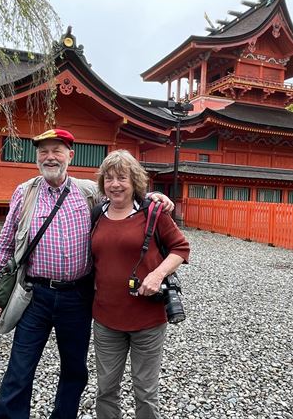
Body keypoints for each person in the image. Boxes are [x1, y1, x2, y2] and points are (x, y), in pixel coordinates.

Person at [0, 129, 172, 419]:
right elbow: (5, 242)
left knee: (74, 369)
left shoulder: (89, 193)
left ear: (70, 155)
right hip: (35, 296)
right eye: (43, 152)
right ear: (37, 157)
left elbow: (125, 195)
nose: (50, 157)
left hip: (77, 296)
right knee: (20, 367)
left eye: (56, 151)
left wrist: (156, 197)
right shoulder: (25, 193)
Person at [91, 150, 190, 419]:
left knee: (145, 391)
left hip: (147, 318)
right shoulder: (97, 214)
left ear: (134, 181)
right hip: (106, 318)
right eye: (109, 178)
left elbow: (181, 248)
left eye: (122, 178)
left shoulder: (153, 213)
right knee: (105, 389)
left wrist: (157, 274)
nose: (115, 184)